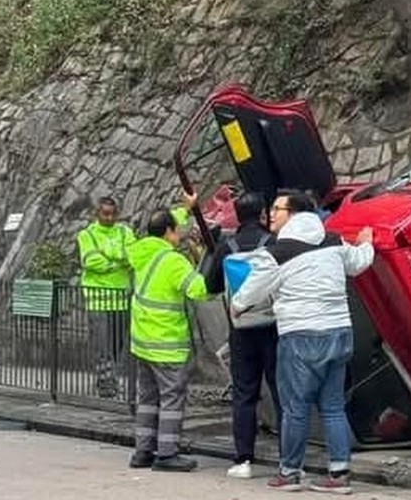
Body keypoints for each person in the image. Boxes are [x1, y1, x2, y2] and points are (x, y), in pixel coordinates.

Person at [232, 194, 375, 494]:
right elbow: (360, 263)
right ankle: (339, 474)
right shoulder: (334, 241)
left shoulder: (277, 252)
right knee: (334, 407)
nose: (271, 214)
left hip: (300, 334)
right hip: (338, 331)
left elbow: (250, 292)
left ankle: (290, 472)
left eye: (277, 209)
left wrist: (237, 305)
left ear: (294, 213)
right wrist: (367, 242)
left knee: (296, 407)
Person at [128, 198, 208, 472]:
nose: (180, 234)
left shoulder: (139, 251)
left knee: (148, 399)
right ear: (169, 233)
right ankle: (167, 454)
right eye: (177, 229)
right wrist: (203, 259)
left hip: (142, 341)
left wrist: (185, 209)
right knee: (172, 399)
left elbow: (162, 222)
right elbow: (199, 290)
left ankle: (143, 452)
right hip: (167, 343)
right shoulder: (174, 262)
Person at [203, 191, 277, 478]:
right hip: (272, 327)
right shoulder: (272, 243)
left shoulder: (227, 246)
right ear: (262, 214)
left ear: (237, 215)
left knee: (244, 394)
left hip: (240, 329)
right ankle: (289, 458)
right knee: (281, 390)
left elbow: (211, 286)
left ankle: (243, 459)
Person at [77, 196, 136, 399]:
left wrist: (110, 256)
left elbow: (132, 255)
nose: (109, 218)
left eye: (112, 214)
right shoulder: (87, 234)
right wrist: (117, 261)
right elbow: (91, 261)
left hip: (121, 298)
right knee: (102, 346)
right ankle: (107, 384)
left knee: (117, 345)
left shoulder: (124, 231)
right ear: (97, 214)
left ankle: (108, 378)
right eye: (105, 214)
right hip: (98, 299)